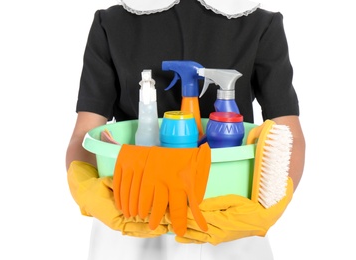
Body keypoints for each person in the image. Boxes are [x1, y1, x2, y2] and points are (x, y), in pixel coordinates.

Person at [65, 0, 306, 259]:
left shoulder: (259, 23)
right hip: (133, 210)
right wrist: (90, 193)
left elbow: (287, 135)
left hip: (225, 218)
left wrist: (270, 204)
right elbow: (85, 132)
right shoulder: (111, 23)